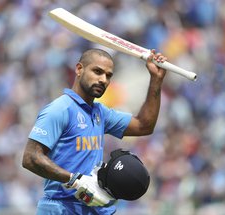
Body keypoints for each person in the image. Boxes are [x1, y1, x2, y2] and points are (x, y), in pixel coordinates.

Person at [22, 48, 167, 215]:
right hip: (61, 207)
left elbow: (144, 125)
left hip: (94, 206)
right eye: (97, 72)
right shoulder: (59, 109)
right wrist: (74, 180)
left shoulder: (100, 113)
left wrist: (156, 79)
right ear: (79, 69)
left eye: (108, 75)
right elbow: (30, 158)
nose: (103, 80)